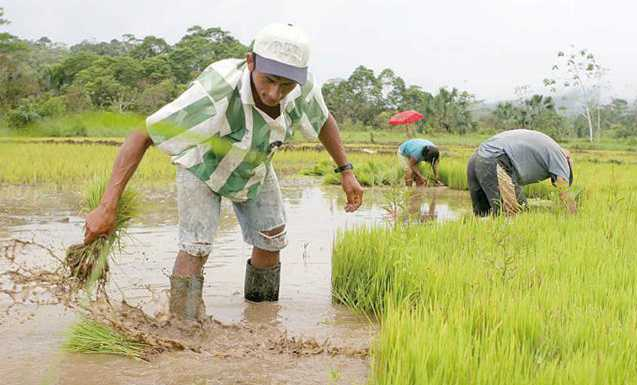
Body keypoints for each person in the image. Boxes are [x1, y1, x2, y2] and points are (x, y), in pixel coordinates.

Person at [83, 23, 364, 320]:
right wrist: (106, 206)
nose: (274, 93)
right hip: (202, 166)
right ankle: (184, 325)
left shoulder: (303, 88)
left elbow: (323, 120)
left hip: (255, 164)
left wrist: (345, 171)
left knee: (271, 240)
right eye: (268, 80)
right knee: (197, 246)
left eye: (286, 85)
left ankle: (261, 322)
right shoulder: (215, 91)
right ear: (251, 61)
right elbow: (143, 134)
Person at [467, 129, 575, 216]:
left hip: (477, 156)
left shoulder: (550, 146)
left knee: (483, 215)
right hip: (496, 159)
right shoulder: (561, 159)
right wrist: (574, 218)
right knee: (518, 212)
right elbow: (564, 193)